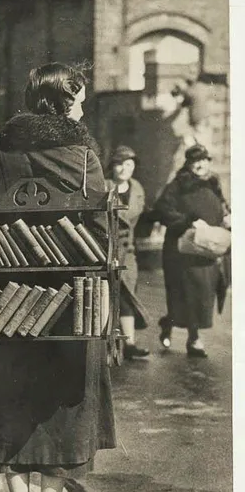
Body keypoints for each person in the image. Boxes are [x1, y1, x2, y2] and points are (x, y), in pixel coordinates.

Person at [0, 62, 116, 492]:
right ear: (65, 100)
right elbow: (98, 232)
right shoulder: (82, 154)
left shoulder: (0, 152)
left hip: (8, 301)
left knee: (9, 408)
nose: (84, 105)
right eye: (80, 97)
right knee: (64, 414)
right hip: (69, 300)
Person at [154, 144, 231, 358]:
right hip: (182, 250)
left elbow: (223, 206)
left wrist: (227, 217)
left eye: (204, 160)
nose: (200, 164)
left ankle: (170, 324)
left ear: (209, 162)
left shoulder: (213, 182)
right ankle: (193, 339)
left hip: (208, 249)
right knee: (188, 293)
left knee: (204, 294)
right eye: (195, 160)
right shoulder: (178, 184)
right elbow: (162, 210)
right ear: (188, 164)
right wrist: (188, 222)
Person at [105, 146, 150, 360]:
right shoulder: (105, 186)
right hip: (106, 249)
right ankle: (108, 344)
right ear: (112, 166)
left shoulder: (138, 188)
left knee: (128, 296)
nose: (124, 169)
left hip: (128, 251)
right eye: (120, 164)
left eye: (129, 164)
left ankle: (130, 343)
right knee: (109, 295)